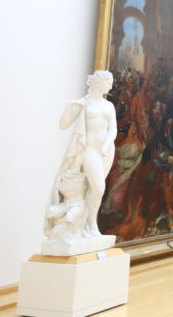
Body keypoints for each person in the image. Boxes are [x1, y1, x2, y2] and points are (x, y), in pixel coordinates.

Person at [49, 70, 117, 239]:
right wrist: (71, 106)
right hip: (90, 150)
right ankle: (88, 223)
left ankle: (88, 224)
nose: (110, 87)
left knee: (94, 190)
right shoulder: (83, 104)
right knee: (99, 188)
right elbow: (63, 125)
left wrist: (107, 144)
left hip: (107, 151)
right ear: (98, 83)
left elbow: (113, 129)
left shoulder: (109, 105)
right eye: (108, 83)